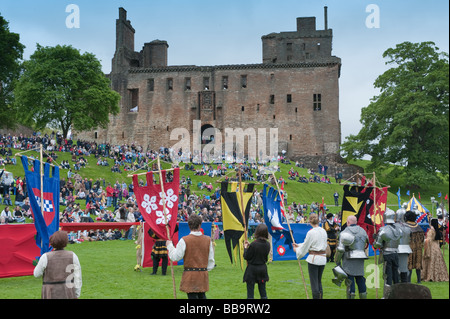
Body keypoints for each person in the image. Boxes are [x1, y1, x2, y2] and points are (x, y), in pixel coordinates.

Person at [167, 214, 215, 299]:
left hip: (190, 274)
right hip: (202, 274)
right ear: (200, 225)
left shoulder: (184, 240)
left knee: (193, 297)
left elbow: (175, 257)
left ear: (189, 225)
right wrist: (204, 269)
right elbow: (210, 260)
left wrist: (170, 246)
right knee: (202, 296)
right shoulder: (208, 240)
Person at [33, 231, 82, 299]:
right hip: (68, 292)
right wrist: (76, 294)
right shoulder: (72, 256)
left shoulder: (45, 257)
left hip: (50, 292)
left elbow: (37, 274)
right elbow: (77, 277)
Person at [293, 213, 328, 299]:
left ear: (309, 221)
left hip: (314, 260)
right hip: (322, 259)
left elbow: (306, 246)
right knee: (319, 282)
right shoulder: (323, 231)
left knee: (314, 283)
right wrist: (299, 245)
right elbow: (308, 244)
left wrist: (297, 250)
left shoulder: (311, 233)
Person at [335, 215, 369, 299]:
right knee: (360, 278)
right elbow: (366, 244)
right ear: (356, 222)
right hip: (360, 257)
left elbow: (340, 250)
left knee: (350, 280)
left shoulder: (345, 232)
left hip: (348, 258)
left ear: (348, 222)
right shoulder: (363, 231)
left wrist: (337, 261)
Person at [373, 208, 402, 298]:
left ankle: (387, 296)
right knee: (396, 275)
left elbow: (377, 245)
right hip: (396, 253)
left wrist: (375, 240)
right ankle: (397, 294)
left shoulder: (383, 230)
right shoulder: (398, 229)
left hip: (387, 254)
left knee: (387, 275)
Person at [243, 224, 271, 299]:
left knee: (250, 293)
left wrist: (245, 248)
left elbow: (246, 256)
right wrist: (250, 246)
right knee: (263, 292)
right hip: (262, 269)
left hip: (252, 269)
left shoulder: (254, 244)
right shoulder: (267, 244)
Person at [404, 210, 424, 283]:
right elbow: (422, 239)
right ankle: (419, 280)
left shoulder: (405, 226)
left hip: (409, 247)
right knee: (418, 263)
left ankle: (408, 280)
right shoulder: (418, 226)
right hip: (418, 248)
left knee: (409, 264)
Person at [395, 208, 412, 283]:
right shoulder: (408, 228)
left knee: (396, 269)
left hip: (395, 249)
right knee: (404, 268)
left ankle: (398, 285)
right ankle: (404, 284)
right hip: (405, 249)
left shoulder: (394, 227)